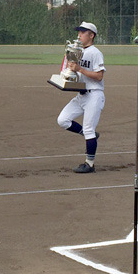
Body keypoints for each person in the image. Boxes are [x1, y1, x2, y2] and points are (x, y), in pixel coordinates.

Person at [56, 21, 105, 173]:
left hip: (94, 95)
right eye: (79, 32)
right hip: (81, 95)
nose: (79, 35)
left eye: (83, 32)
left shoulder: (95, 53)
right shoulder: (77, 50)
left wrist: (79, 69)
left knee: (89, 129)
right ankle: (89, 135)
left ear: (91, 35)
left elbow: (99, 76)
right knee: (63, 120)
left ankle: (89, 164)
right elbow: (75, 74)